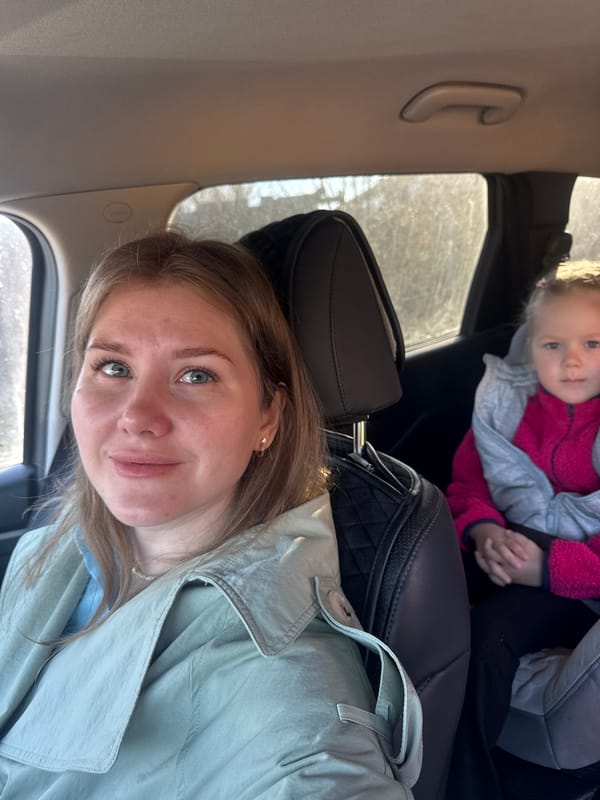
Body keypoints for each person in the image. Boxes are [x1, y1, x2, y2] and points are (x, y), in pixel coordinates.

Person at [0, 232, 421, 798]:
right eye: (113, 367)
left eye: (196, 375)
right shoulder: (51, 547)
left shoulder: (282, 682)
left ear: (268, 415)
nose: (138, 417)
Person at [444, 260, 600, 799]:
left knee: (488, 638)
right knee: (420, 582)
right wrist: (482, 531)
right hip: (504, 544)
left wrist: (548, 568)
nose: (572, 360)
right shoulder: (510, 408)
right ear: (529, 347)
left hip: (578, 580)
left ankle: (463, 785)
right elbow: (469, 484)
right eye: (553, 345)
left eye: (593, 344)